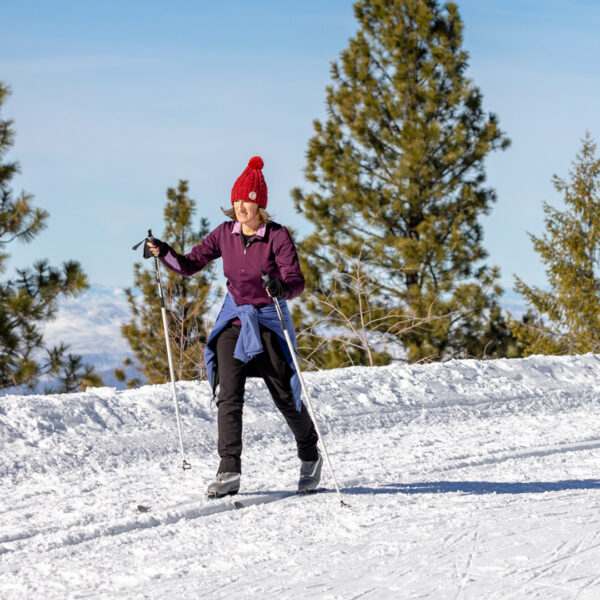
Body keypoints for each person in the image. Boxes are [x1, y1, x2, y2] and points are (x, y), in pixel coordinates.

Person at [146, 156, 322, 498]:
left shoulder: (277, 236)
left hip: (268, 319)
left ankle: (310, 453)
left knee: (285, 397)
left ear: (260, 205)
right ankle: (229, 470)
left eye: (249, 201)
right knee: (229, 395)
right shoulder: (224, 234)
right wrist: (164, 252)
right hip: (234, 319)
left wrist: (281, 288)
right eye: (238, 200)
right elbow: (189, 264)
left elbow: (295, 281)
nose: (242, 207)